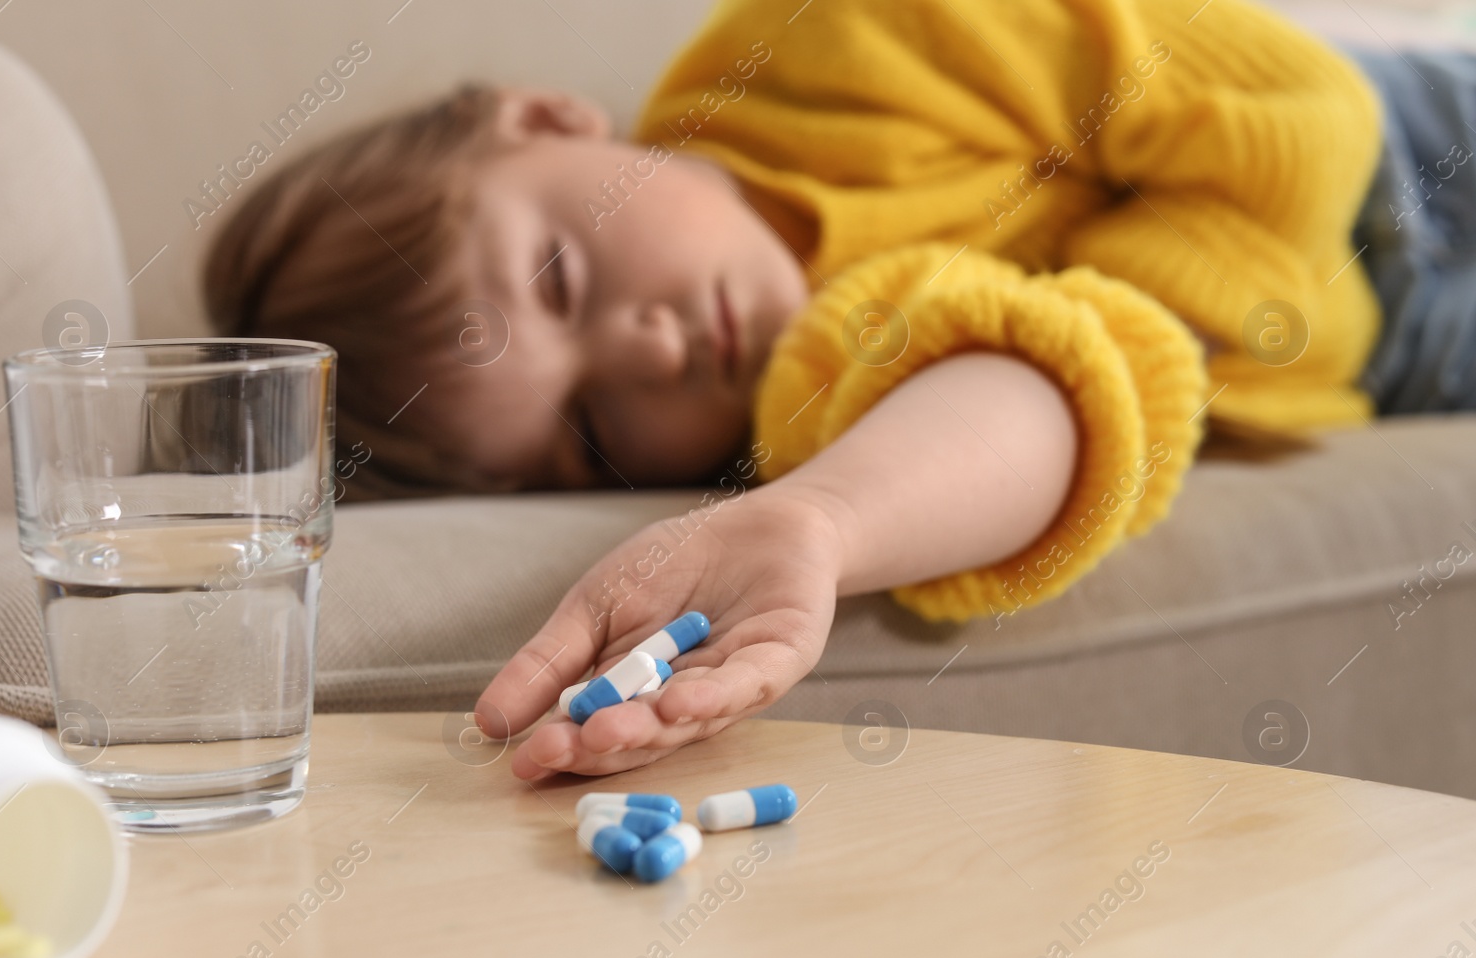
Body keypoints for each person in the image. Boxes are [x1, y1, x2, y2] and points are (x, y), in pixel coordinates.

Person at [204, 0, 1454, 780]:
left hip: (1403, 141)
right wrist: (818, 517)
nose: (645, 350)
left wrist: (1148, 311)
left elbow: (1287, 110)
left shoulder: (840, 42)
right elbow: (1036, 381)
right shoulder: (809, 405)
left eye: (560, 273)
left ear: (542, 118)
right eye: (589, 423)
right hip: (1400, 361)